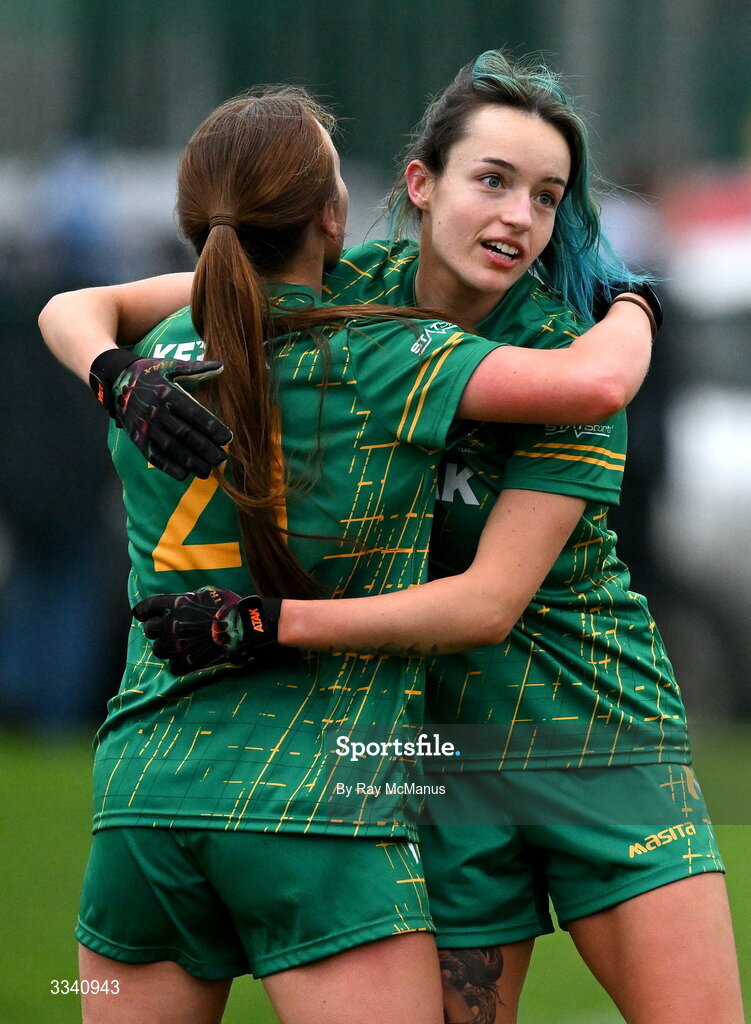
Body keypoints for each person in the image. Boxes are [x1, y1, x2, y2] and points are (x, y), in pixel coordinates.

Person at [42, 52, 736, 1023]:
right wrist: (116, 371)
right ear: (419, 182)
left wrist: (633, 298)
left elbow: (492, 599)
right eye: (491, 180)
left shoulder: (564, 355)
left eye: (546, 197)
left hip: (590, 737)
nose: (516, 217)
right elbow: (89, 304)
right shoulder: (343, 294)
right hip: (425, 754)